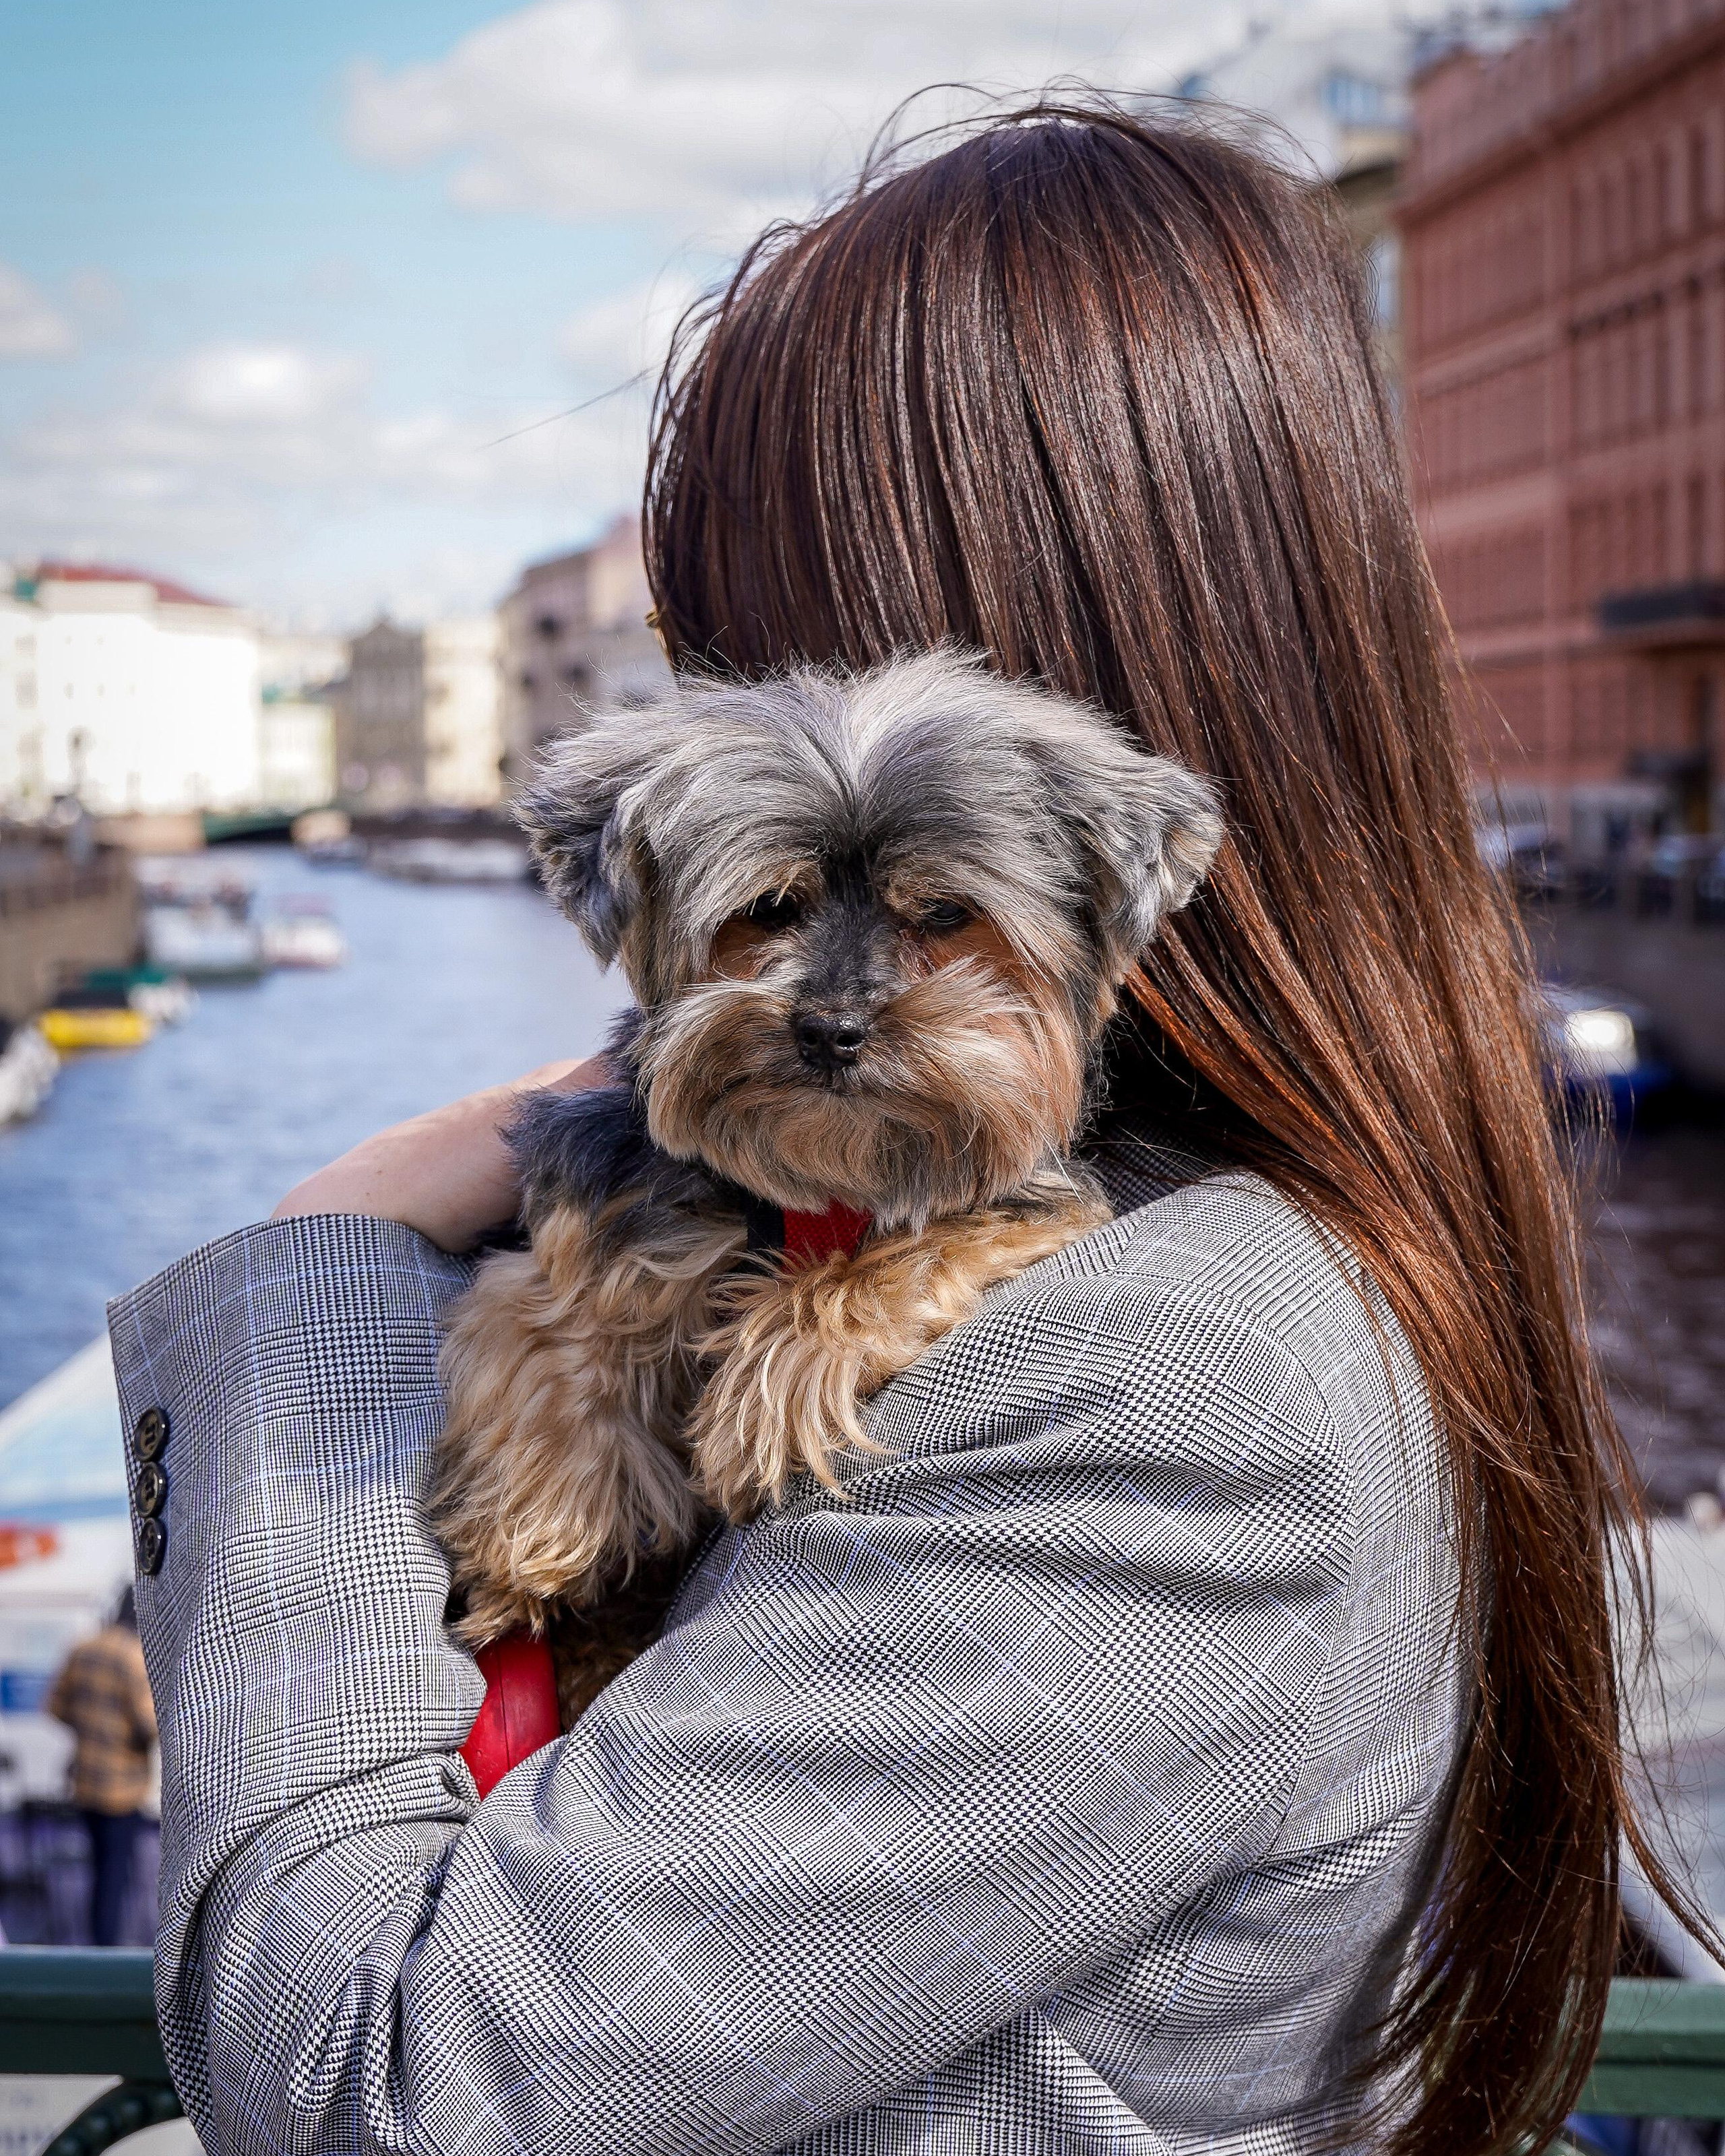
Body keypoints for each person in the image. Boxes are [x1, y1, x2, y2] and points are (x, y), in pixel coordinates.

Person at [108, 100, 1703, 2156]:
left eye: (737, 641)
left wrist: (317, 1296)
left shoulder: (1176, 1372)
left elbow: (378, 2091)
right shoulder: (1208, 1223)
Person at [45, 1585, 157, 1947]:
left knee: (100, 1869)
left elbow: (56, 1707)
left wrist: (92, 1729)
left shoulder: (84, 1648)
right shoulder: (132, 1657)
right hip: (122, 1789)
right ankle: (107, 1953)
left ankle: (99, 1944)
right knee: (115, 1874)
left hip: (85, 1782)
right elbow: (149, 1725)